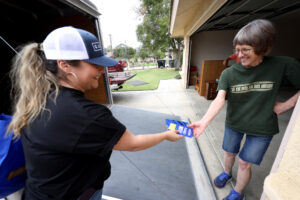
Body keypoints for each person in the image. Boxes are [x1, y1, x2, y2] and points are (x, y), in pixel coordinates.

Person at [7, 26, 183, 200]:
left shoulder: (37, 99)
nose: (101, 69)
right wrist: (166, 135)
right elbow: (134, 143)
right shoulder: (87, 114)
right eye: (94, 64)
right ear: (65, 65)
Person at [188, 19, 300, 200]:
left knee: (244, 163)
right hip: (235, 123)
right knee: (229, 152)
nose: (239, 55)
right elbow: (219, 99)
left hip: (262, 127)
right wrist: (203, 122)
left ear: (263, 47)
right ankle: (226, 172)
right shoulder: (229, 74)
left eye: (245, 50)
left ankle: (237, 193)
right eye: (237, 50)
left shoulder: (283, 65)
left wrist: (286, 105)